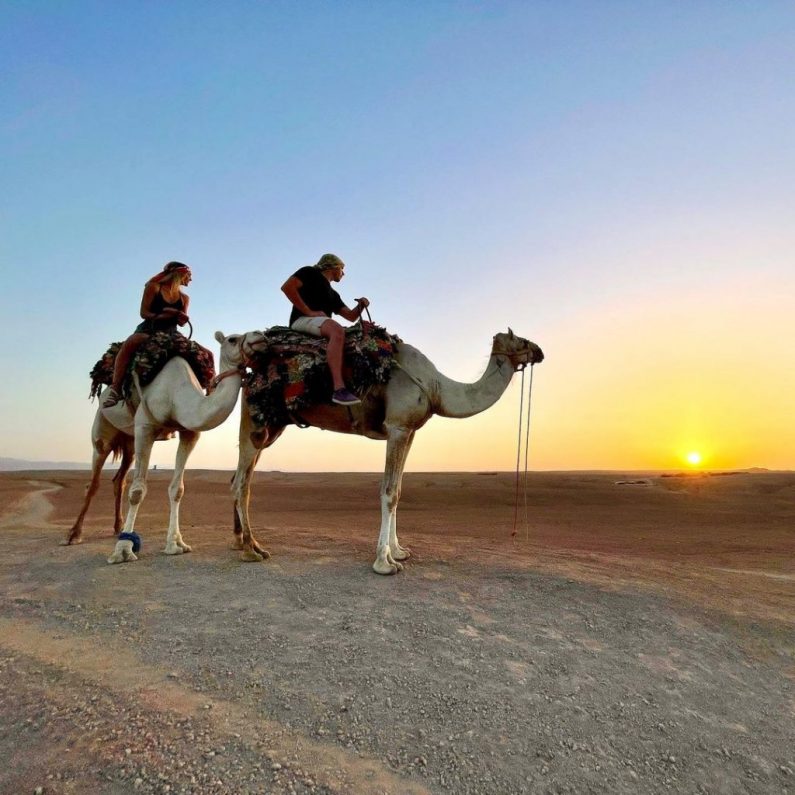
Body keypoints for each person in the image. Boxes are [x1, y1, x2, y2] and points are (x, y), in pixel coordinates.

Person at [281, 253, 370, 406]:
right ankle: (339, 389)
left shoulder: (333, 294)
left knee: (345, 334)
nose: (343, 273)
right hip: (302, 319)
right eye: (342, 269)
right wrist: (309, 312)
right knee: (337, 330)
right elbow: (287, 287)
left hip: (320, 323)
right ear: (333, 267)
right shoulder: (309, 272)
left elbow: (350, 316)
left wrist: (361, 306)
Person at [103, 261, 192, 407]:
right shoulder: (153, 287)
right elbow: (144, 313)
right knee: (130, 343)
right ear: (179, 274)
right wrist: (163, 315)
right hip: (149, 330)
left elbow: (181, 323)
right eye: (189, 275)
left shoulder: (184, 298)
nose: (191, 279)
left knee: (206, 354)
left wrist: (182, 318)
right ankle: (116, 389)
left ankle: (208, 391)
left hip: (171, 334)